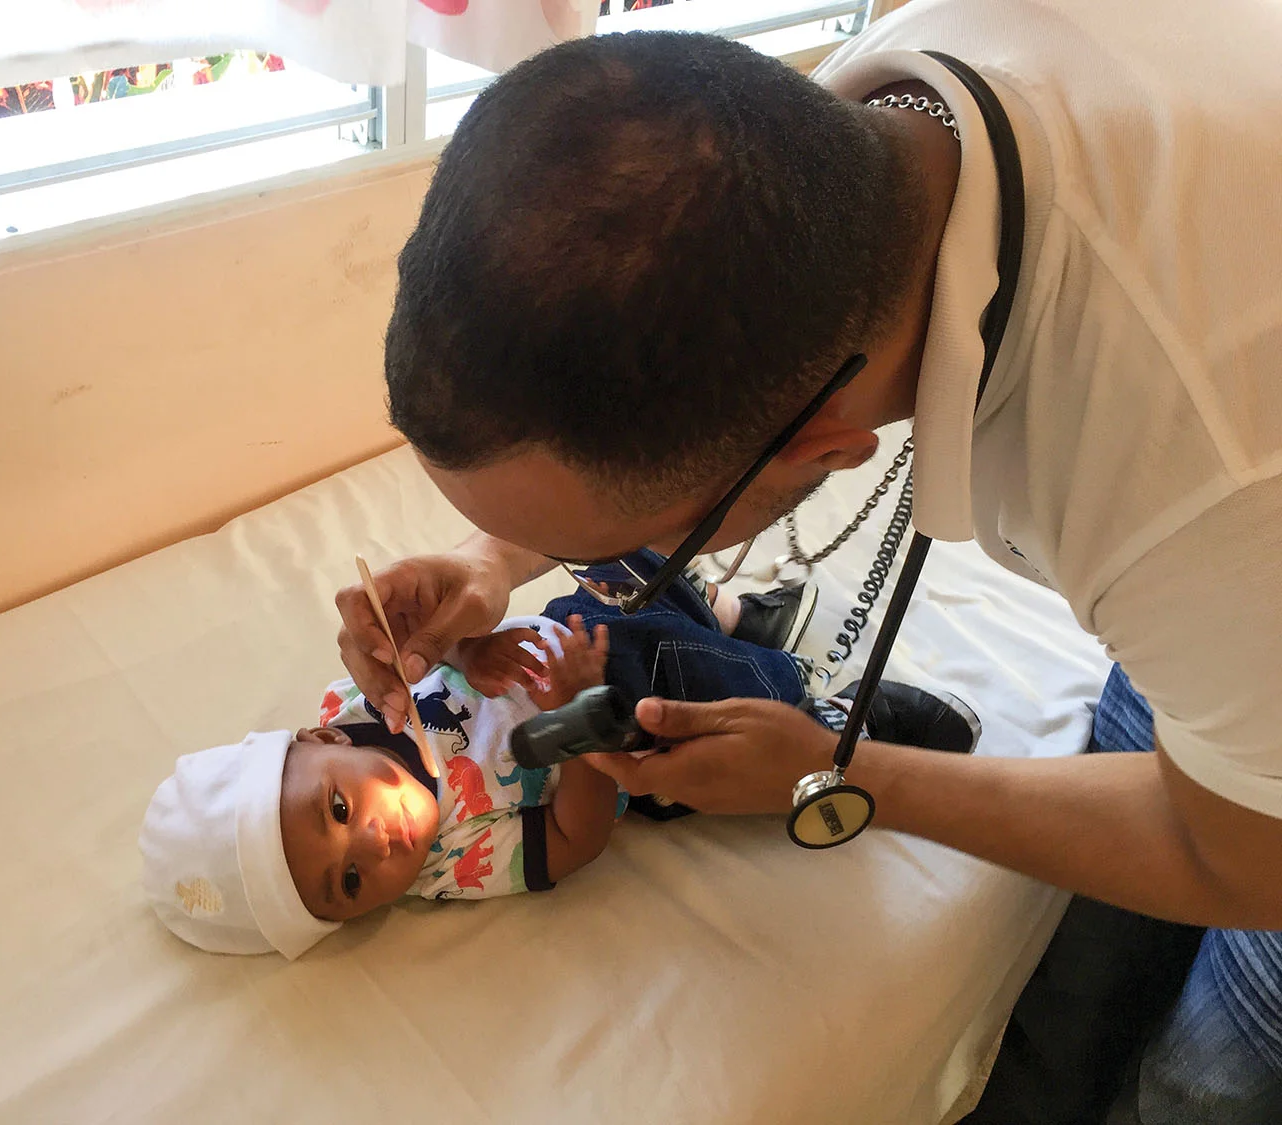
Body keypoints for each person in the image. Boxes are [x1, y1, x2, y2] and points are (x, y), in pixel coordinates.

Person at [333, 6, 1282, 1120]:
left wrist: (844, 773)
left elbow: (1239, 857)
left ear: (828, 451)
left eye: (606, 554)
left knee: (1211, 1073)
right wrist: (490, 558)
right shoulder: (827, 149)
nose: (563, 570)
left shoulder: (1203, 483)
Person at [141, 577, 976, 959]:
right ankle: (823, 715)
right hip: (629, 728)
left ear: (319, 744)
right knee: (686, 701)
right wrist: (581, 721)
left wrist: (473, 643)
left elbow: (450, 652)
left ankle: (734, 612)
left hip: (571, 628)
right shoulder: (452, 860)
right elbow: (575, 838)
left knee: (614, 569)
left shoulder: (360, 699)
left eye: (333, 811)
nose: (371, 842)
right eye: (349, 883)